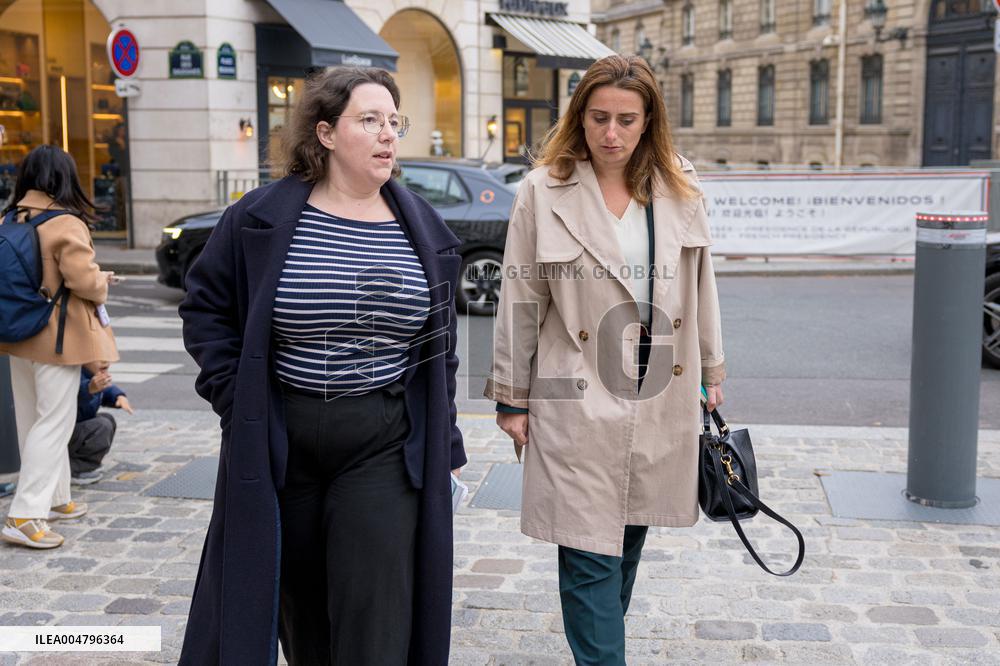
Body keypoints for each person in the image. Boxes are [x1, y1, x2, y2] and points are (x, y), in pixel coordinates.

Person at [177, 66, 466, 665]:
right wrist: (236, 397)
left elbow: (442, 343)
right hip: (283, 440)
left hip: (383, 443)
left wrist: (445, 431)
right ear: (327, 133)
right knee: (298, 609)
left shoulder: (423, 228)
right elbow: (205, 307)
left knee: (376, 606)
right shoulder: (260, 218)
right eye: (370, 120)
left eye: (394, 121)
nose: (388, 134)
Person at [484, 55, 726, 665]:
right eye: (598, 118)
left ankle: (598, 647)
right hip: (575, 394)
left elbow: (702, 288)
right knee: (589, 553)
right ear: (579, 117)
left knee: (627, 537)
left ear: (648, 121)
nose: (611, 133)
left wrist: (710, 373)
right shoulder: (544, 190)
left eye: (626, 119)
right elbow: (519, 296)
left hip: (660, 390)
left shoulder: (679, 184)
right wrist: (512, 398)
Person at [0, 145, 119, 549]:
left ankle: (56, 497)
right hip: (57, 338)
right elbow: (85, 283)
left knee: (32, 420)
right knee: (54, 423)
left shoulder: (10, 216)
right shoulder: (65, 223)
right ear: (64, 178)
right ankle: (24, 514)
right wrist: (103, 280)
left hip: (18, 333)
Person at [69, 366, 132, 485]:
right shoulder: (78, 373)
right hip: (67, 430)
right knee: (102, 426)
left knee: (108, 419)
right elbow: (76, 394)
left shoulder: (92, 373)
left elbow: (105, 391)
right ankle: (76, 469)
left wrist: (118, 396)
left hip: (78, 426)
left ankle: (87, 464)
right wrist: (89, 388)